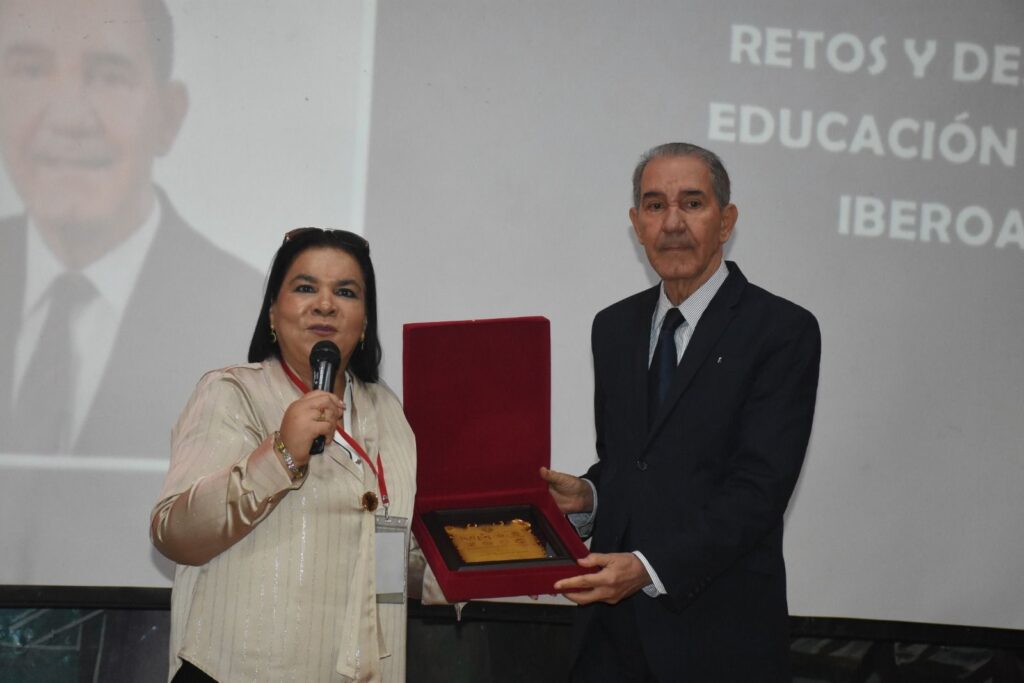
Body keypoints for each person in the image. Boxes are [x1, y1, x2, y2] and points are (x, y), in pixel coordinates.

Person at [542, 143, 821, 681]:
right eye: (655, 205)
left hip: (718, 642)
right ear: (636, 224)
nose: (672, 223)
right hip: (610, 643)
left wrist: (648, 568)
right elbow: (633, 462)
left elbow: (758, 491)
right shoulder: (614, 327)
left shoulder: (781, 331)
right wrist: (591, 495)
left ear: (726, 221)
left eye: (692, 203)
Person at [150, 228, 417, 682]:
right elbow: (174, 532)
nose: (326, 304)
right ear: (273, 313)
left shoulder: (389, 412)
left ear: (365, 321)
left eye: (346, 292)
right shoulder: (234, 392)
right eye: (306, 287)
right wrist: (280, 456)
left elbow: (390, 562)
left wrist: (507, 559)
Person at [0, 0, 261, 455]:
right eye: (31, 71)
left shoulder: (249, 315)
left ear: (168, 117)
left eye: (109, 77)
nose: (68, 118)